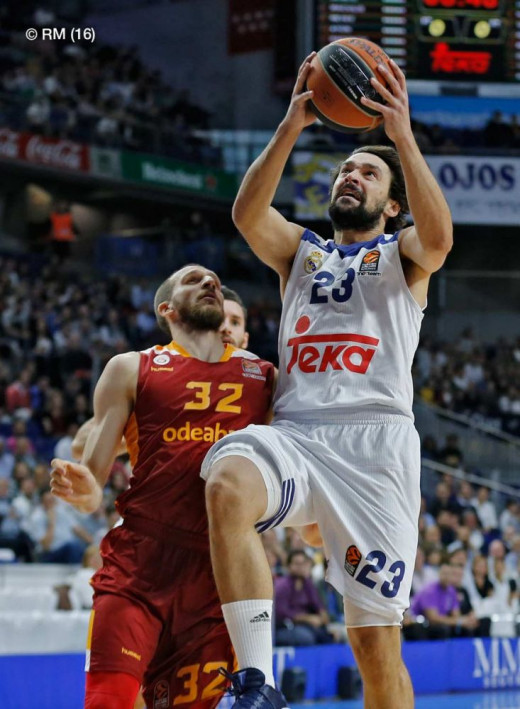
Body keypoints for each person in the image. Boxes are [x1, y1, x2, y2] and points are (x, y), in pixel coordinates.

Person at [202, 51, 452, 708]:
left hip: (376, 451)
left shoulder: (403, 256)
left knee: (376, 651)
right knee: (226, 479)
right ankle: (257, 680)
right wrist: (291, 122)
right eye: (345, 167)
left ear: (391, 204)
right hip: (299, 434)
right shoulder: (302, 253)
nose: (351, 175)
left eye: (367, 173)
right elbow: (247, 217)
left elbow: (441, 237)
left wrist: (399, 136)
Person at [50, 265, 276, 709]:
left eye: (213, 280)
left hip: (215, 581)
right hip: (139, 567)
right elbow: (93, 473)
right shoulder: (131, 367)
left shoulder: (265, 379)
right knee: (108, 702)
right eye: (193, 279)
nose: (209, 282)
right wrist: (87, 492)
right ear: (166, 309)